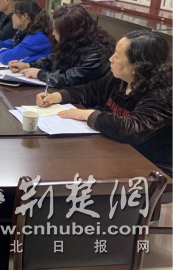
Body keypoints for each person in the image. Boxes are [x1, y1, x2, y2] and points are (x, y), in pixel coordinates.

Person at [37, 30, 172, 176]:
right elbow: (90, 90)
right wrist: (57, 96)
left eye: (117, 56)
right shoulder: (119, 79)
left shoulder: (163, 95)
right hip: (115, 151)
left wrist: (88, 115)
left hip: (150, 169)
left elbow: (132, 129)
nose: (110, 59)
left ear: (139, 66)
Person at [8, 4, 115, 87]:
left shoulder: (96, 53)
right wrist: (28, 65)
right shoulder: (71, 42)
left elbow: (70, 79)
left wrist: (40, 74)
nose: (53, 33)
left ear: (72, 33)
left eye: (57, 30)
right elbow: (51, 59)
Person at [0, 0, 51, 65]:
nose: (12, 17)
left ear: (24, 16)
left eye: (13, 13)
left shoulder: (38, 37)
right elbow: (13, 42)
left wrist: (1, 51)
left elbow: (7, 58)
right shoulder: (26, 31)